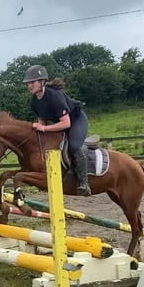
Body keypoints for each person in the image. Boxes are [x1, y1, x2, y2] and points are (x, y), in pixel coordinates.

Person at [23, 64, 90, 196]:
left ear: (42, 82)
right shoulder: (34, 100)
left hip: (76, 120)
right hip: (61, 122)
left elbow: (66, 123)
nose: (30, 85)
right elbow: (42, 119)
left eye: (32, 82)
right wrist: (40, 129)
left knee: (74, 146)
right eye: (28, 83)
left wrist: (44, 128)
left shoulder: (54, 96)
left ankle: (84, 183)